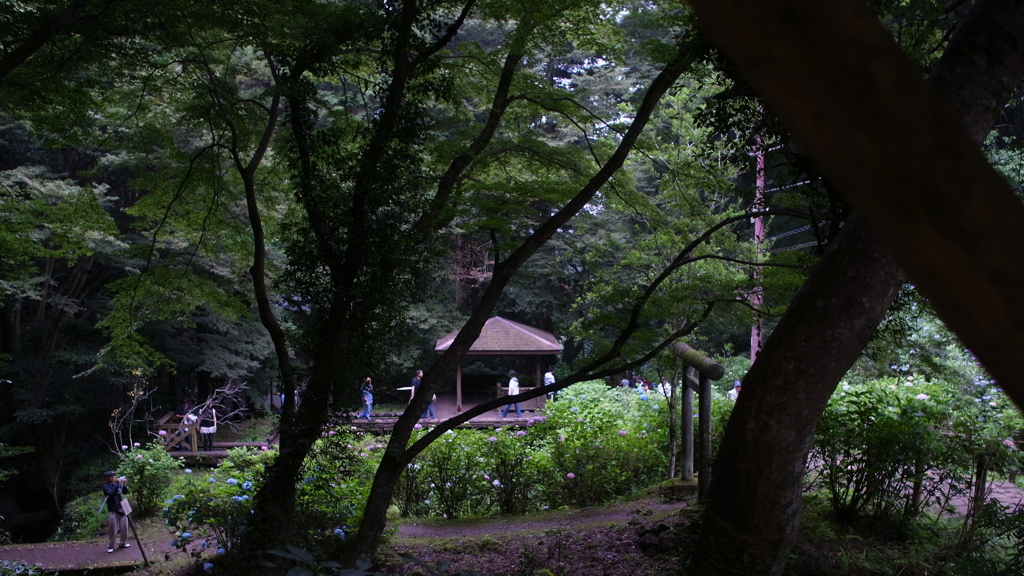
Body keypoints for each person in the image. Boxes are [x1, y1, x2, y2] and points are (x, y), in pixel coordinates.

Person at [101, 471, 130, 553]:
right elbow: (112, 493)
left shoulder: (117, 484)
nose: (112, 478)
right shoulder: (106, 487)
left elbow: (124, 492)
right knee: (113, 528)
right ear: (107, 478)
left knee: (124, 526)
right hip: (113, 509)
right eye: (110, 477)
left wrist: (124, 484)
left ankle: (123, 543)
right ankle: (110, 546)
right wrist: (117, 484)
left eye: (113, 476)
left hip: (122, 507)